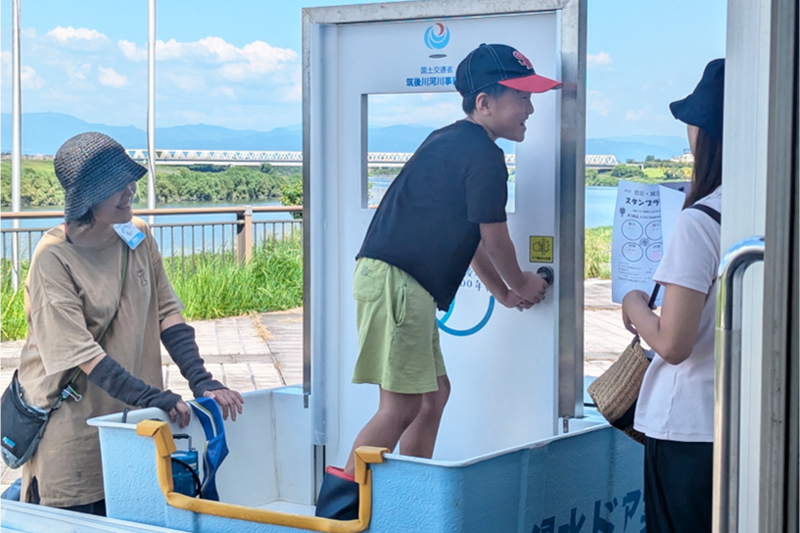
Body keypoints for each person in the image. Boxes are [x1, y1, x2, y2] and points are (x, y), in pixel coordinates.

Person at [314, 43, 562, 519]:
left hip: (400, 283)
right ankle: (338, 517)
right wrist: (523, 282)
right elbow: (496, 238)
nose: (531, 107)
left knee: (432, 396)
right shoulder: (484, 157)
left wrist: (505, 293)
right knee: (399, 407)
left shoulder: (453, 143)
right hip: (398, 282)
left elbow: (469, 240)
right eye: (521, 96)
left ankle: (406, 503)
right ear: (484, 103)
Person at [14, 132, 245, 515]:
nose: (130, 190)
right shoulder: (53, 259)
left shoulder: (136, 233)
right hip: (76, 434)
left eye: (130, 179)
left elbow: (166, 313)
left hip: (137, 426)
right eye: (116, 185)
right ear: (87, 198)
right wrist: (153, 397)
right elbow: (84, 355)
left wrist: (202, 380)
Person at [621, 58, 725, 533]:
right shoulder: (773, 209)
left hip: (688, 427)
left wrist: (634, 306)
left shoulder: (701, 221)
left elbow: (674, 344)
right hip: (749, 421)